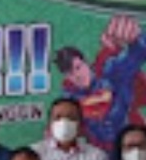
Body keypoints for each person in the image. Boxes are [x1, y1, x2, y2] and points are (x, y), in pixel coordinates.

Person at [54, 15, 146, 151]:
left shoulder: (110, 71)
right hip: (99, 152)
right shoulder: (70, 97)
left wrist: (136, 38)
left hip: (131, 142)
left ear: (85, 62)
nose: (77, 76)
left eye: (78, 67)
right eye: (71, 74)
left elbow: (136, 55)